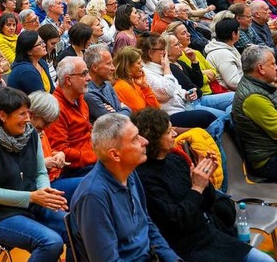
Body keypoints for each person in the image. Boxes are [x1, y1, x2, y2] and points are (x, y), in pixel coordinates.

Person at [132, 108, 267, 262]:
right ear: (155, 137)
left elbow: (208, 204)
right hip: (188, 249)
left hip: (209, 234)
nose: (175, 134)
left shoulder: (176, 159)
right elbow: (177, 223)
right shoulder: (144, 178)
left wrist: (205, 178)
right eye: (169, 132)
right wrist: (197, 187)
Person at [70, 113, 180, 262]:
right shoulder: (93, 197)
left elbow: (146, 224)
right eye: (135, 139)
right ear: (115, 155)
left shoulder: (130, 173)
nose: (145, 141)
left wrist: (172, 259)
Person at [0, 87, 69, 262]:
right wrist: (33, 197)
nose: (28, 119)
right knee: (51, 242)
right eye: (22, 114)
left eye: (28, 113)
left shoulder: (31, 133)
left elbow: (41, 172)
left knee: (77, 227)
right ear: (3, 116)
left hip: (31, 205)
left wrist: (45, 192)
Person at [138, 32, 217, 130]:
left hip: (185, 105)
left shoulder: (162, 66)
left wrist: (186, 95)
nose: (165, 52)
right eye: (162, 49)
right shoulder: (146, 73)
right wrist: (167, 68)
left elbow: (178, 87)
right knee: (209, 117)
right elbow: (168, 92)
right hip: (169, 115)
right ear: (150, 53)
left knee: (227, 110)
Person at [46, 56, 97, 180]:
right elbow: (60, 150)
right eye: (84, 74)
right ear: (68, 80)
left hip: (91, 159)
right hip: (74, 170)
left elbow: (88, 131)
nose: (89, 78)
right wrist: (94, 156)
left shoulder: (80, 100)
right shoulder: (56, 109)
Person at [232, 45, 277, 181]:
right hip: (268, 160)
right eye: (273, 64)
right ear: (260, 68)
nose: (276, 67)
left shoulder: (260, 85)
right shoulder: (253, 98)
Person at [28, 91, 83, 200]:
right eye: (46, 122)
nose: (47, 127)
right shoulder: (24, 135)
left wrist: (59, 154)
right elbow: (21, 169)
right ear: (32, 115)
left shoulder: (39, 131)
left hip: (55, 178)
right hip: (41, 187)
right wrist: (43, 163)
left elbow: (47, 152)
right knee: (89, 184)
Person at [83, 44, 132, 123]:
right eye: (108, 64)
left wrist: (118, 112)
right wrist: (126, 109)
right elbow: (114, 123)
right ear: (94, 67)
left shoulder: (107, 84)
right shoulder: (88, 93)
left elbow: (117, 115)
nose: (113, 68)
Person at [204, 18, 243, 91]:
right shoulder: (222, 54)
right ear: (233, 34)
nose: (240, 32)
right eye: (239, 30)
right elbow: (234, 83)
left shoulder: (228, 46)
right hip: (228, 93)